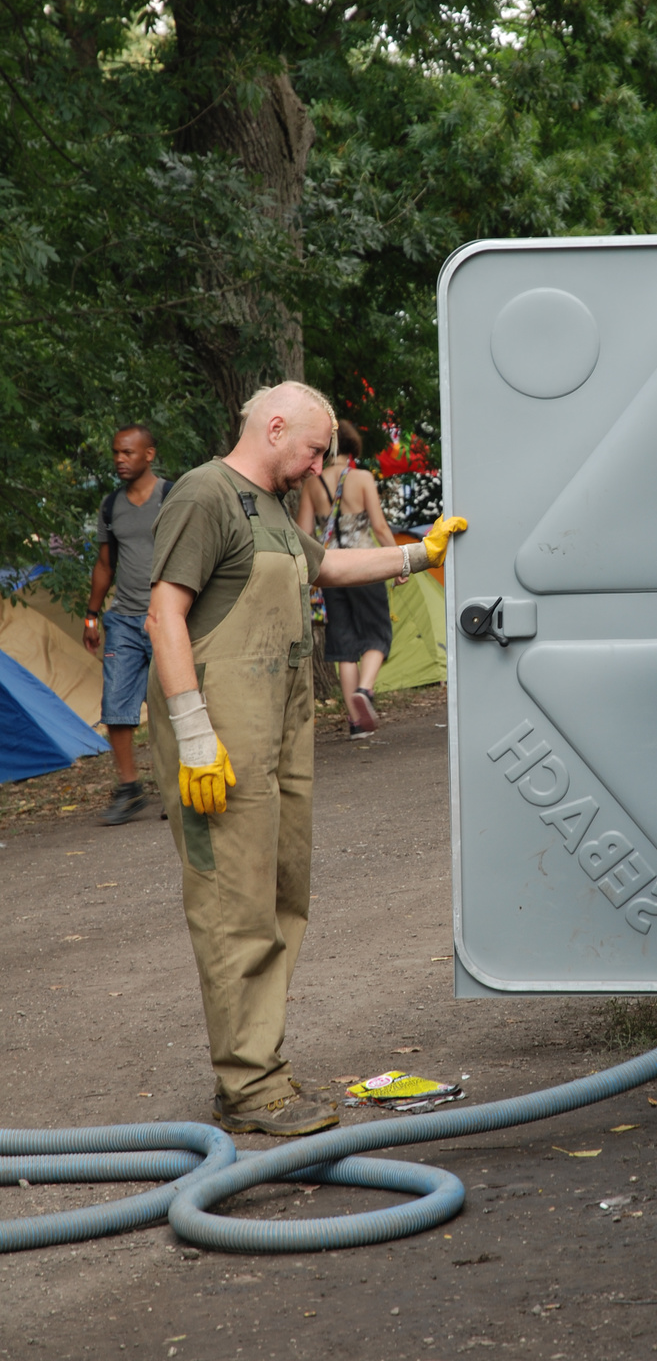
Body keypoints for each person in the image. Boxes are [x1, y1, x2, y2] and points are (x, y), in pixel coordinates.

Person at [145, 380, 465, 1137]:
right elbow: (164, 612)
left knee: (284, 896)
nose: (321, 464)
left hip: (279, 730)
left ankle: (259, 1068)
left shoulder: (277, 508)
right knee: (235, 905)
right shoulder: (204, 494)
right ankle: (251, 1086)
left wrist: (418, 554)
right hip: (219, 740)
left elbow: (322, 569)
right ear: (277, 426)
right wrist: (193, 731)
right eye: (316, 449)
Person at [84, 425, 172, 826]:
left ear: (149, 454)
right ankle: (129, 788)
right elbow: (105, 564)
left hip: (168, 617)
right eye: (116, 452)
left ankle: (178, 788)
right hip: (123, 618)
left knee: (171, 704)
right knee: (116, 706)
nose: (120, 459)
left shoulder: (172, 497)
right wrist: (92, 614)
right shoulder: (110, 506)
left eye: (128, 452)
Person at [296, 420, 395, 736]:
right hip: (365, 565)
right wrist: (399, 561)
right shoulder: (362, 478)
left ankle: (356, 723)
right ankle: (364, 691)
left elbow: (302, 531)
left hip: (332, 570)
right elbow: (379, 527)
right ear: (353, 449)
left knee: (345, 643)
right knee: (378, 634)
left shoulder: (313, 484)